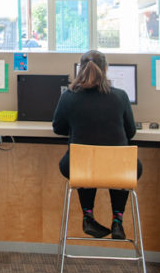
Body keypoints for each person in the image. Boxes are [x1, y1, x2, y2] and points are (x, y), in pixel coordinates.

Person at [52, 49, 142, 240]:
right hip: (119, 170)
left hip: (80, 168)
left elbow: (58, 128)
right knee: (121, 164)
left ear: (80, 70)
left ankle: (88, 216)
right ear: (106, 69)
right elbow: (131, 132)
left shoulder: (68, 96)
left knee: (84, 163)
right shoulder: (120, 96)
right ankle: (118, 220)